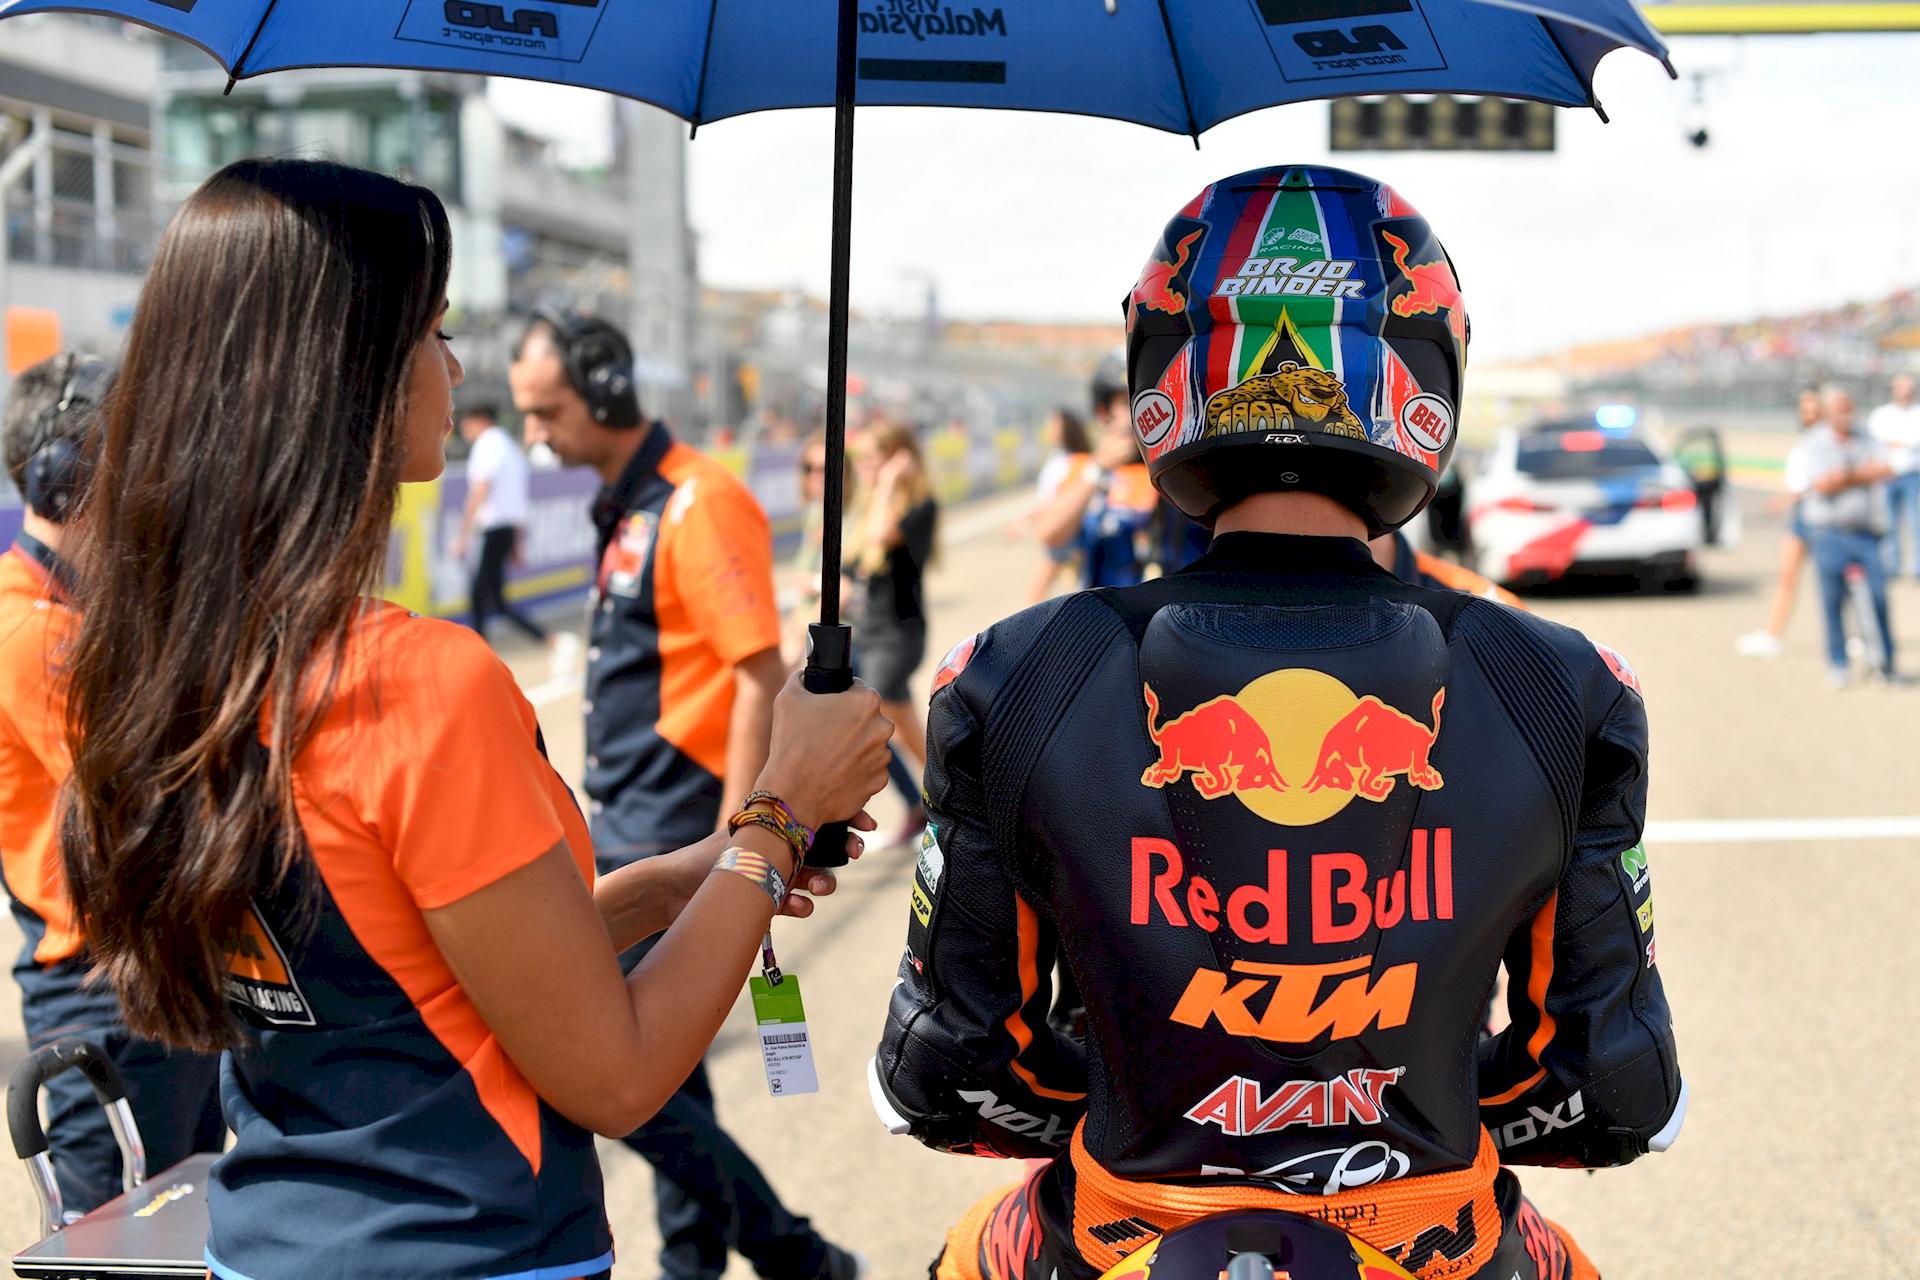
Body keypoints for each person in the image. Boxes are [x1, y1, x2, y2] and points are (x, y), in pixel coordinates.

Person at [56, 158, 891, 1280]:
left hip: (264, 1239)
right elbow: (616, 1073)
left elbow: (405, 976)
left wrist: (683, 877)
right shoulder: (411, 681)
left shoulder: (165, 663)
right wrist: (779, 816)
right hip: (471, 1246)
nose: (453, 367)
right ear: (343, 372)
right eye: (434, 330)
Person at [873, 166, 1684, 1280]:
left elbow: (949, 1069)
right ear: (1427, 370)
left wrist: (1161, 1109)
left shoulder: (1008, 673)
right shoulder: (1567, 680)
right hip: (1440, 1235)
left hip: (1114, 1227)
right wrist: (1405, 1109)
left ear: (1163, 366)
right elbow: (1610, 1090)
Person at [511, 309, 865, 1280]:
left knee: (631, 1087)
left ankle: (791, 1253)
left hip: (682, 827)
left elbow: (758, 670)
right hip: (626, 822)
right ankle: (707, 1258)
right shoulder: (631, 500)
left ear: (607, 390)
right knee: (669, 1088)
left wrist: (740, 836)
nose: (534, 435)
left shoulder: (698, 499)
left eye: (546, 412)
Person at [0, 352, 226, 1217]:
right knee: (112, 1247)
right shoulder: (33, 627)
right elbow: (155, 789)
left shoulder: (88, 610)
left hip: (154, 974)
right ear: (72, 476)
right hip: (106, 989)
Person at [848, 420, 940, 845]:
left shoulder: (919, 505)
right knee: (890, 721)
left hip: (900, 632)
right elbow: (855, 561)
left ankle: (941, 792)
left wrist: (886, 483)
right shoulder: (869, 503)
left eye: (874, 459)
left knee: (883, 706)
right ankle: (931, 796)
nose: (865, 467)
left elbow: (882, 537)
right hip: (868, 630)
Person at [1790, 384, 1897, 686]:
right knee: (1832, 601)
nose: (1846, 412)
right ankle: (1838, 663)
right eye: (1839, 407)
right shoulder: (1813, 442)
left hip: (1866, 532)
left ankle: (1883, 663)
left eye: (1849, 406)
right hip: (1828, 533)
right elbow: (1822, 484)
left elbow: (1885, 468)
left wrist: (1847, 476)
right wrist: (1860, 474)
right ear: (1827, 412)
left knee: (1877, 597)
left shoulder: (1867, 438)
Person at [1035, 357, 1160, 588]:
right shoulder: (1084, 469)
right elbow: (1050, 535)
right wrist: (1099, 468)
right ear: (1104, 412)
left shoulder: (1173, 471)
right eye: (1127, 402)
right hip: (1106, 615)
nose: (1140, 411)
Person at [451, 403, 551, 651]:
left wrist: (463, 536)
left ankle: (479, 653)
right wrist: (518, 542)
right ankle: (545, 639)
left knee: (480, 596)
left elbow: (480, 490)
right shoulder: (510, 448)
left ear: (479, 419)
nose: (463, 430)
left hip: (493, 530)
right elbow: (517, 501)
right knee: (492, 598)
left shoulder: (488, 445)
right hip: (506, 530)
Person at [1736, 386, 1823, 659]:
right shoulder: (1806, 439)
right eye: (1804, 407)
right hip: (1800, 517)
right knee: (1786, 576)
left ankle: (1857, 637)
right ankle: (1773, 634)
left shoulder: (1829, 441)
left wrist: (1787, 500)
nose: (1807, 413)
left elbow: (1826, 481)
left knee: (1837, 581)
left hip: (1823, 518)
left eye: (1813, 408)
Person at [1022, 409, 1094, 604]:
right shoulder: (1057, 457)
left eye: (1054, 424)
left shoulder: (1076, 461)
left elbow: (1064, 498)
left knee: (1040, 586)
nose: (1049, 428)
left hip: (1065, 529)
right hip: (1054, 524)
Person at [1867, 373, 1920, 577]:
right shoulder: (1882, 415)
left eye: (1907, 387)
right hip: (1887, 476)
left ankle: (1916, 567)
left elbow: (1911, 442)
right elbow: (1877, 442)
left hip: (1913, 475)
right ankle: (1892, 565)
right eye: (1900, 387)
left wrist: (1899, 442)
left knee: (1915, 522)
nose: (1904, 391)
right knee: (1889, 523)